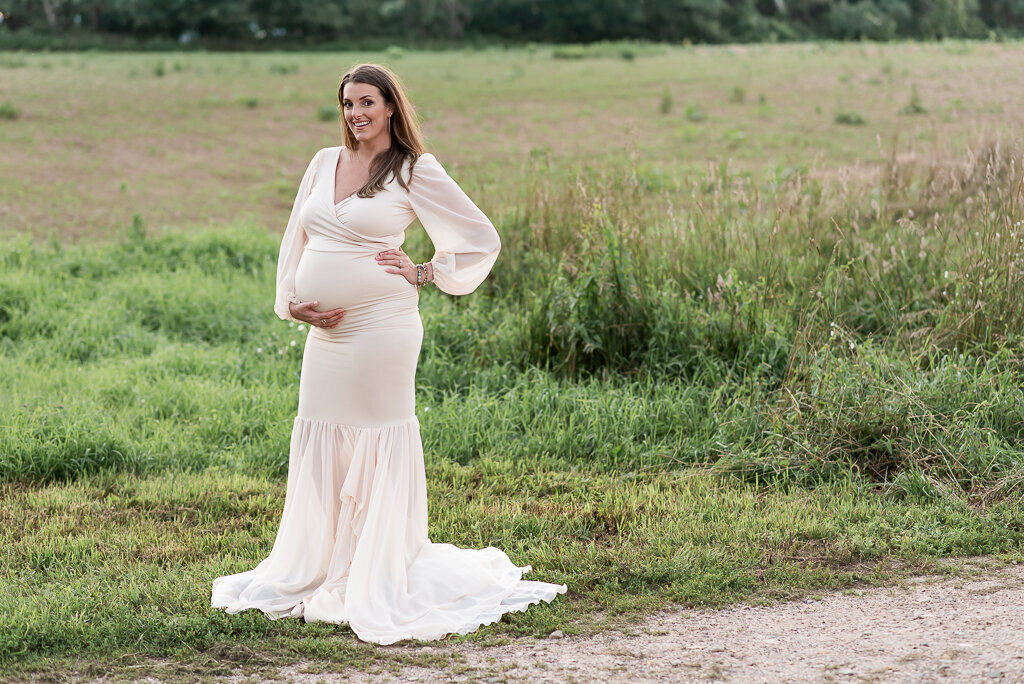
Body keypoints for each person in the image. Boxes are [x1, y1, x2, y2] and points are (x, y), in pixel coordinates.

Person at [211, 64, 566, 645]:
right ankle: (324, 565)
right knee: (323, 434)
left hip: (383, 328)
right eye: (348, 103)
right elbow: (294, 239)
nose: (356, 113)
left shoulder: (414, 169)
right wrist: (291, 302)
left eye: (368, 102)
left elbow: (480, 236)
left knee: (378, 436)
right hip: (325, 337)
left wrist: (425, 270)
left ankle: (375, 570)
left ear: (392, 108)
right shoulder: (323, 161)